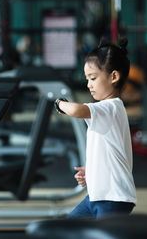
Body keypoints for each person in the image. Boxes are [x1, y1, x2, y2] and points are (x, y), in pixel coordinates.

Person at [55, 37, 137, 219]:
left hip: (114, 198)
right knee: (69, 229)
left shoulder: (111, 107)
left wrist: (58, 103)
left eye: (93, 78)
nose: (88, 84)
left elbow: (76, 109)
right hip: (97, 196)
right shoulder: (107, 111)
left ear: (114, 77)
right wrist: (92, 170)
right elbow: (107, 151)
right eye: (87, 79)